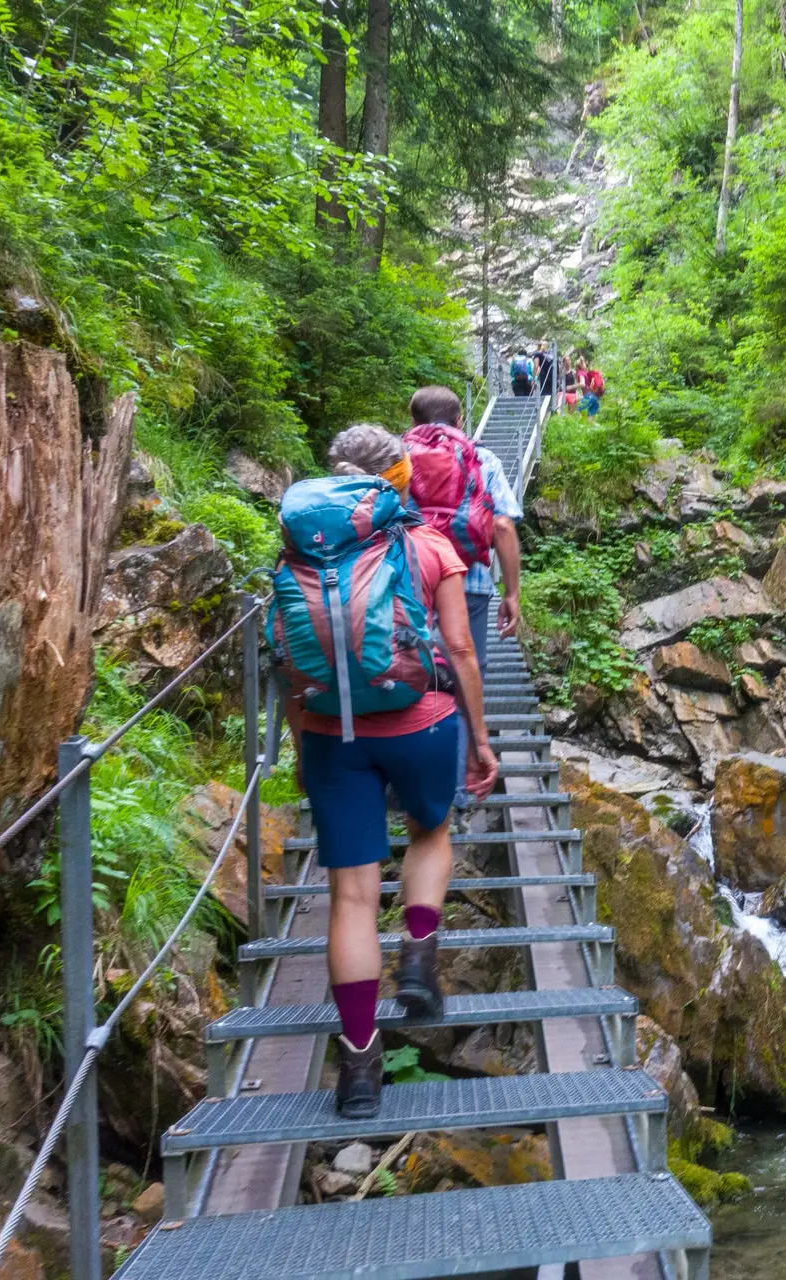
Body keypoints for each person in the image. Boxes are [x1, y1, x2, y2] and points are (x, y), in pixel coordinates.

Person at [281, 424, 498, 1119]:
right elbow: (460, 649)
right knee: (430, 832)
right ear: (399, 480)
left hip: (330, 734)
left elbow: (288, 660)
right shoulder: (428, 544)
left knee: (351, 898)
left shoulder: (301, 552)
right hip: (422, 722)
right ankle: (418, 959)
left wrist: (302, 749)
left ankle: (358, 1069)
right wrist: (480, 739)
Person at [403, 385, 523, 800]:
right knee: (464, 671)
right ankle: (456, 788)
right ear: (459, 420)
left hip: (409, 585)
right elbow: (502, 525)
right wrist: (512, 594)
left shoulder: (396, 457)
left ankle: (404, 785)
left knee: (409, 670)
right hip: (469, 581)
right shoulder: (482, 457)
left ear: (413, 421)